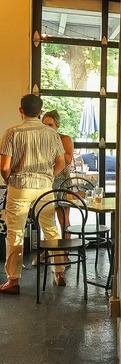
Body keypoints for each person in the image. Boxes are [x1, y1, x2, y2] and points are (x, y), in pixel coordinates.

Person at [0, 94, 66, 294]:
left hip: (19, 186)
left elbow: (4, 166)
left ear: (21, 110)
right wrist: (47, 177)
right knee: (51, 229)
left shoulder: (12, 133)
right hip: (45, 187)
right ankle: (59, 272)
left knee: (16, 232)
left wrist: (8, 180)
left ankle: (13, 280)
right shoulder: (52, 134)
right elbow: (61, 163)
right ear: (40, 112)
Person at [42, 110, 75, 239]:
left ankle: (65, 253)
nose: (47, 128)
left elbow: (68, 159)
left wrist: (56, 143)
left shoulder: (64, 139)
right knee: (47, 220)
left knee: (64, 219)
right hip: (48, 181)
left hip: (62, 181)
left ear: (57, 126)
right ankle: (48, 251)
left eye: (50, 125)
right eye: (44, 125)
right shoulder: (41, 140)